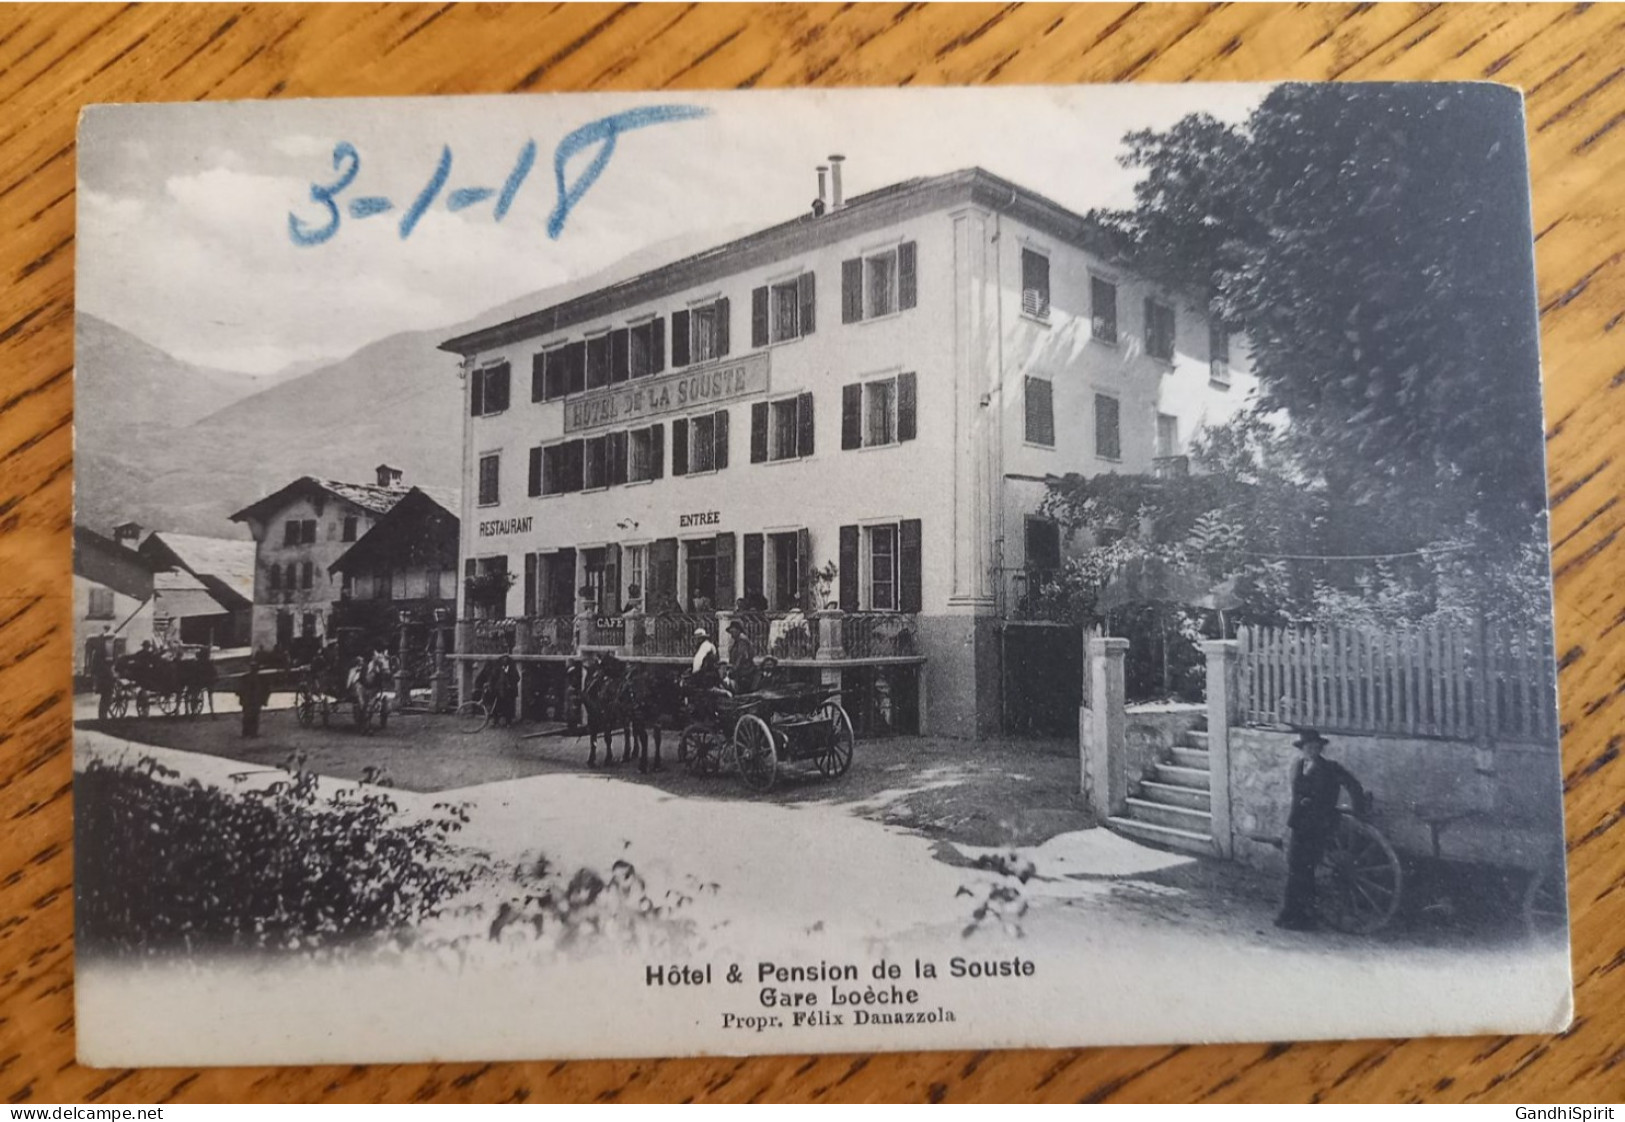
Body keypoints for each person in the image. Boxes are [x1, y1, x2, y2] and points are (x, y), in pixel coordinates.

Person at [1276, 727, 1368, 931]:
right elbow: (1297, 796)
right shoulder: (1299, 766)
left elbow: (1354, 786)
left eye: (1315, 747)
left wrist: (1359, 811)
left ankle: (1305, 916)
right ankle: (1290, 913)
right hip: (1300, 823)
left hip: (1320, 824)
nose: (1311, 750)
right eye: (1307, 747)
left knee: (1306, 868)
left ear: (1320, 748)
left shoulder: (1331, 768)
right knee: (1295, 867)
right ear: (1302, 749)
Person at [238, 655, 270, 738]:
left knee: (249, 715)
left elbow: (239, 690)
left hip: (251, 700)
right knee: (252, 716)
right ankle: (250, 732)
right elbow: (266, 690)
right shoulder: (260, 679)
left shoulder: (246, 678)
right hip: (253, 700)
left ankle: (248, 732)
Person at [725, 619, 757, 693]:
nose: (731, 634)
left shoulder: (742, 640)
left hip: (744, 670)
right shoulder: (737, 640)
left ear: (738, 630)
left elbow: (741, 655)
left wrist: (734, 668)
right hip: (740, 669)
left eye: (733, 632)